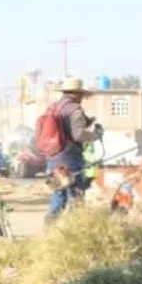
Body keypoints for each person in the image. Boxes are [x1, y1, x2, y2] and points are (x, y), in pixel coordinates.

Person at [43, 77, 102, 222]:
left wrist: (86, 122)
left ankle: (50, 227)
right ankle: (77, 227)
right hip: (70, 159)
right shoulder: (75, 109)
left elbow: (65, 128)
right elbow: (78, 134)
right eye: (81, 95)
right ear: (77, 94)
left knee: (59, 193)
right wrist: (96, 134)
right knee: (76, 194)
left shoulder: (54, 107)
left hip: (53, 157)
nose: (82, 98)